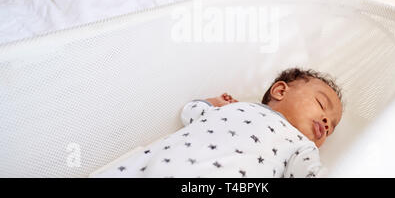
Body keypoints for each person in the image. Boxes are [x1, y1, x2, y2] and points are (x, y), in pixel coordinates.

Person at [93, 68, 343, 178]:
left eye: (331, 126)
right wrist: (213, 104)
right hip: (167, 161)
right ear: (280, 91)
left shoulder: (300, 145)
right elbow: (191, 113)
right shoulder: (238, 107)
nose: (326, 122)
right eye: (322, 105)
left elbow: (309, 172)